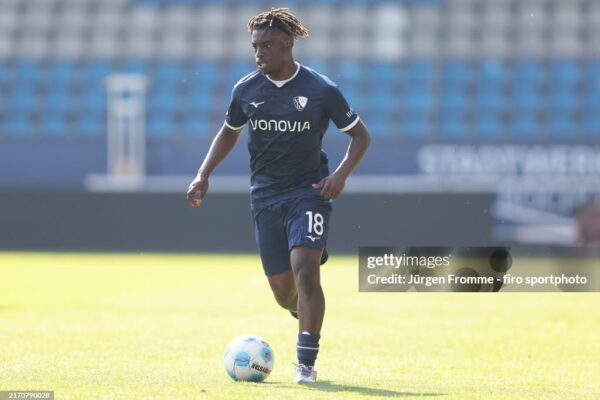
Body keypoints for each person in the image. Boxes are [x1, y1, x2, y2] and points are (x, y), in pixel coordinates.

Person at [186, 7, 371, 383]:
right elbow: (229, 132)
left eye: (267, 45)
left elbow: (360, 135)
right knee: (284, 293)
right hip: (265, 197)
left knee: (306, 270)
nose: (259, 53)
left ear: (288, 44)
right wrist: (203, 174)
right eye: (255, 46)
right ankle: (302, 312)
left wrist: (340, 174)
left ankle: (306, 364)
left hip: (309, 192)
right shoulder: (246, 90)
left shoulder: (321, 90)